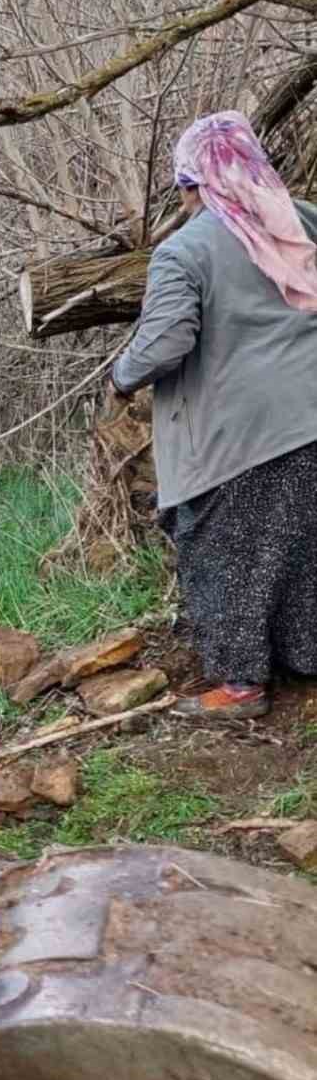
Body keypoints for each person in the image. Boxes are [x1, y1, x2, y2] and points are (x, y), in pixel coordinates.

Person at [111, 110, 317, 720]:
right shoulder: (303, 221)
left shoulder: (185, 250)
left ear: (195, 181)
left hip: (241, 435)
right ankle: (301, 658)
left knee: (223, 553)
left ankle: (241, 684)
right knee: (302, 544)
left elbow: (167, 341)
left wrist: (120, 377)